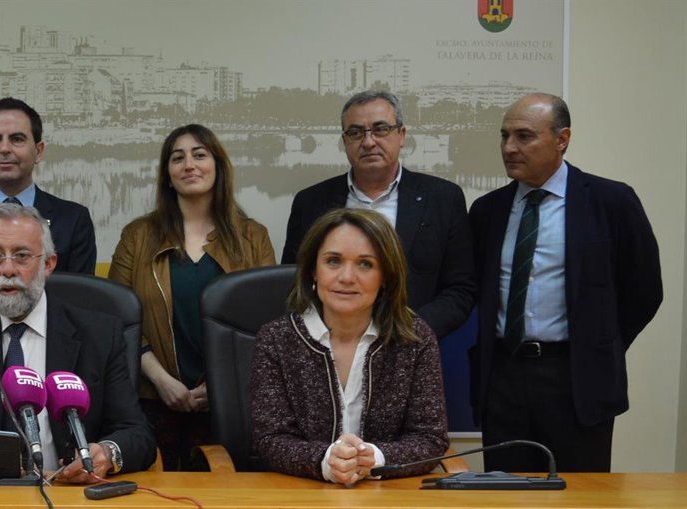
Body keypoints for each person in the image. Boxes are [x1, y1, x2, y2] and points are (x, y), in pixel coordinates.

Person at [469, 93, 661, 472]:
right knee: (504, 491)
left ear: (562, 139)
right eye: (505, 136)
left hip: (576, 379)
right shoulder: (487, 210)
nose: (509, 147)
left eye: (524, 136)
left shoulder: (611, 201)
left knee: (580, 492)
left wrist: (599, 344)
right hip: (503, 378)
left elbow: (644, 290)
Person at [0, 204, 155, 482]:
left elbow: (136, 433)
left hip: (70, 492)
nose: (8, 270)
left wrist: (107, 453)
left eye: (21, 256)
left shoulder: (100, 334)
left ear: (48, 264)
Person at [108, 124, 275, 471]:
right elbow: (118, 320)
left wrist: (220, 384)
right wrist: (161, 380)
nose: (189, 165)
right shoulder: (138, 236)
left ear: (218, 167)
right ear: (168, 175)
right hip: (152, 398)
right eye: (177, 158)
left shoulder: (253, 237)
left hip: (231, 402)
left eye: (200, 155)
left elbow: (267, 325)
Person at [251, 208, 448, 484]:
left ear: (386, 276)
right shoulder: (276, 338)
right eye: (333, 261)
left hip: (389, 496)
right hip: (301, 492)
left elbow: (430, 439)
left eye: (365, 264)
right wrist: (325, 460)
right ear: (313, 270)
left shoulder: (415, 338)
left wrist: (375, 458)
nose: (346, 277)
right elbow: (270, 439)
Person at [282, 90, 474, 338]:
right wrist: (323, 336)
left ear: (401, 135)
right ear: (345, 141)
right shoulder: (310, 202)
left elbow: (460, 289)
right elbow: (293, 282)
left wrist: (409, 333)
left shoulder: (443, 199)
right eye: (355, 132)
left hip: (410, 344)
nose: (369, 142)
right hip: (329, 344)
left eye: (380, 129)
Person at [0, 97, 96, 298]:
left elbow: (79, 300)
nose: (4, 148)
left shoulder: (74, 219)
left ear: (38, 151)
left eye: (17, 139)